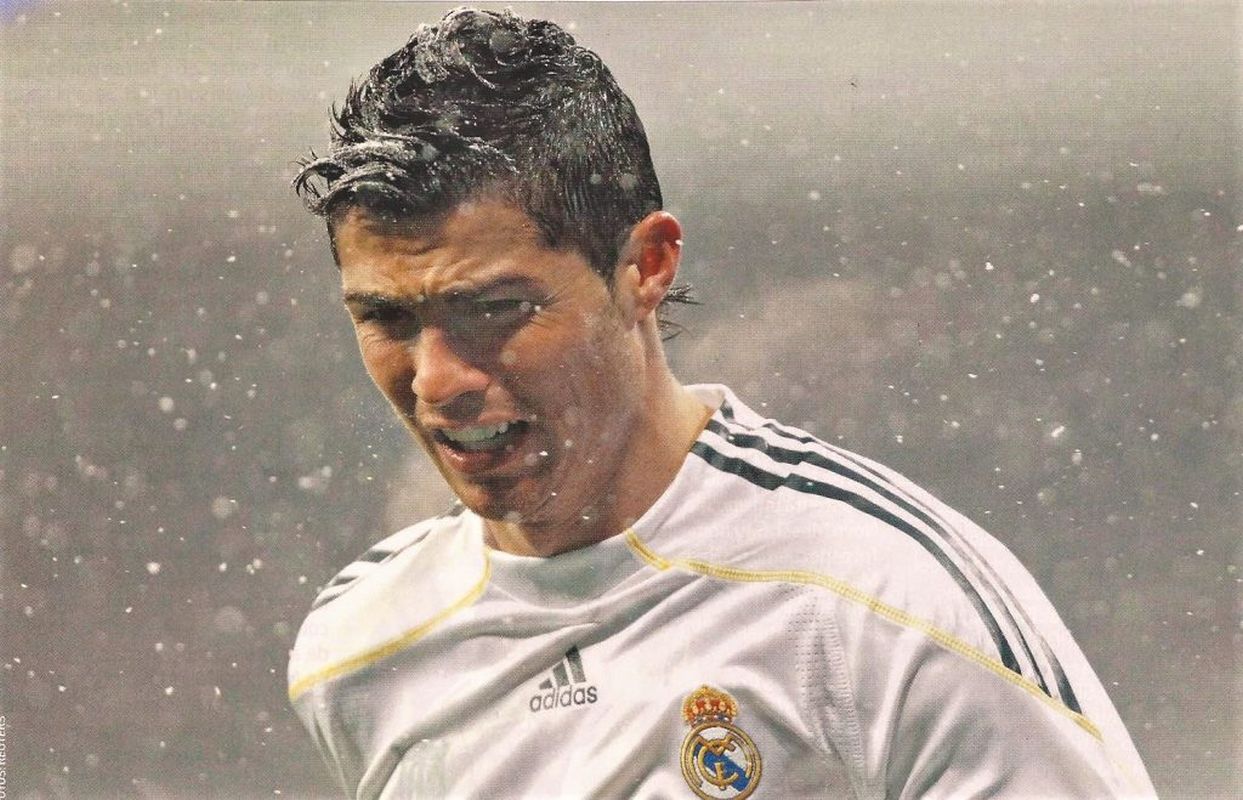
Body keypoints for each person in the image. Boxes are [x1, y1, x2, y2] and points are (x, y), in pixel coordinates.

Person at [287, 9, 1156, 799]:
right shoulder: (359, 647)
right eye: (387, 320)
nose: (436, 380)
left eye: (493, 309)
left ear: (645, 267)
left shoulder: (882, 603)